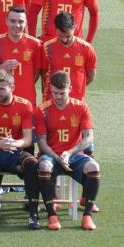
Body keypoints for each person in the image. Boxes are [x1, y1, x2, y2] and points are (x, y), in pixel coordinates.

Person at [35, 71, 100, 230]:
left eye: (62, 93)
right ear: (50, 88)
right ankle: (52, 216)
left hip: (74, 156)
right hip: (51, 156)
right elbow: (42, 143)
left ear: (70, 88)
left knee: (94, 167)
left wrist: (69, 153)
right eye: (55, 92)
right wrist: (57, 157)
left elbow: (88, 137)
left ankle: (87, 217)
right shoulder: (42, 110)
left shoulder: (81, 107)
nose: (58, 97)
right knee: (43, 167)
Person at [0, 69, 40, 229]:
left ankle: (33, 214)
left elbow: (28, 139)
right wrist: (0, 144)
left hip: (15, 153)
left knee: (32, 163)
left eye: (1, 89)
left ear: (12, 87)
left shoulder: (25, 106)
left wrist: (14, 144)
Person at [0, 6, 42, 107]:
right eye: (13, 21)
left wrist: (25, 85)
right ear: (6, 21)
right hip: (3, 100)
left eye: (21, 21)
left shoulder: (35, 44)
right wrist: (1, 68)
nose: (17, 25)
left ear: (26, 23)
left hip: (27, 100)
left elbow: (36, 73)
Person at [41, 12, 96, 102]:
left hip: (76, 101)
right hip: (52, 101)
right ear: (56, 29)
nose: (64, 39)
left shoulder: (87, 49)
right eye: (60, 36)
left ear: (75, 28)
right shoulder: (47, 47)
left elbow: (91, 76)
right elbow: (43, 74)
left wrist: (76, 90)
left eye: (68, 36)